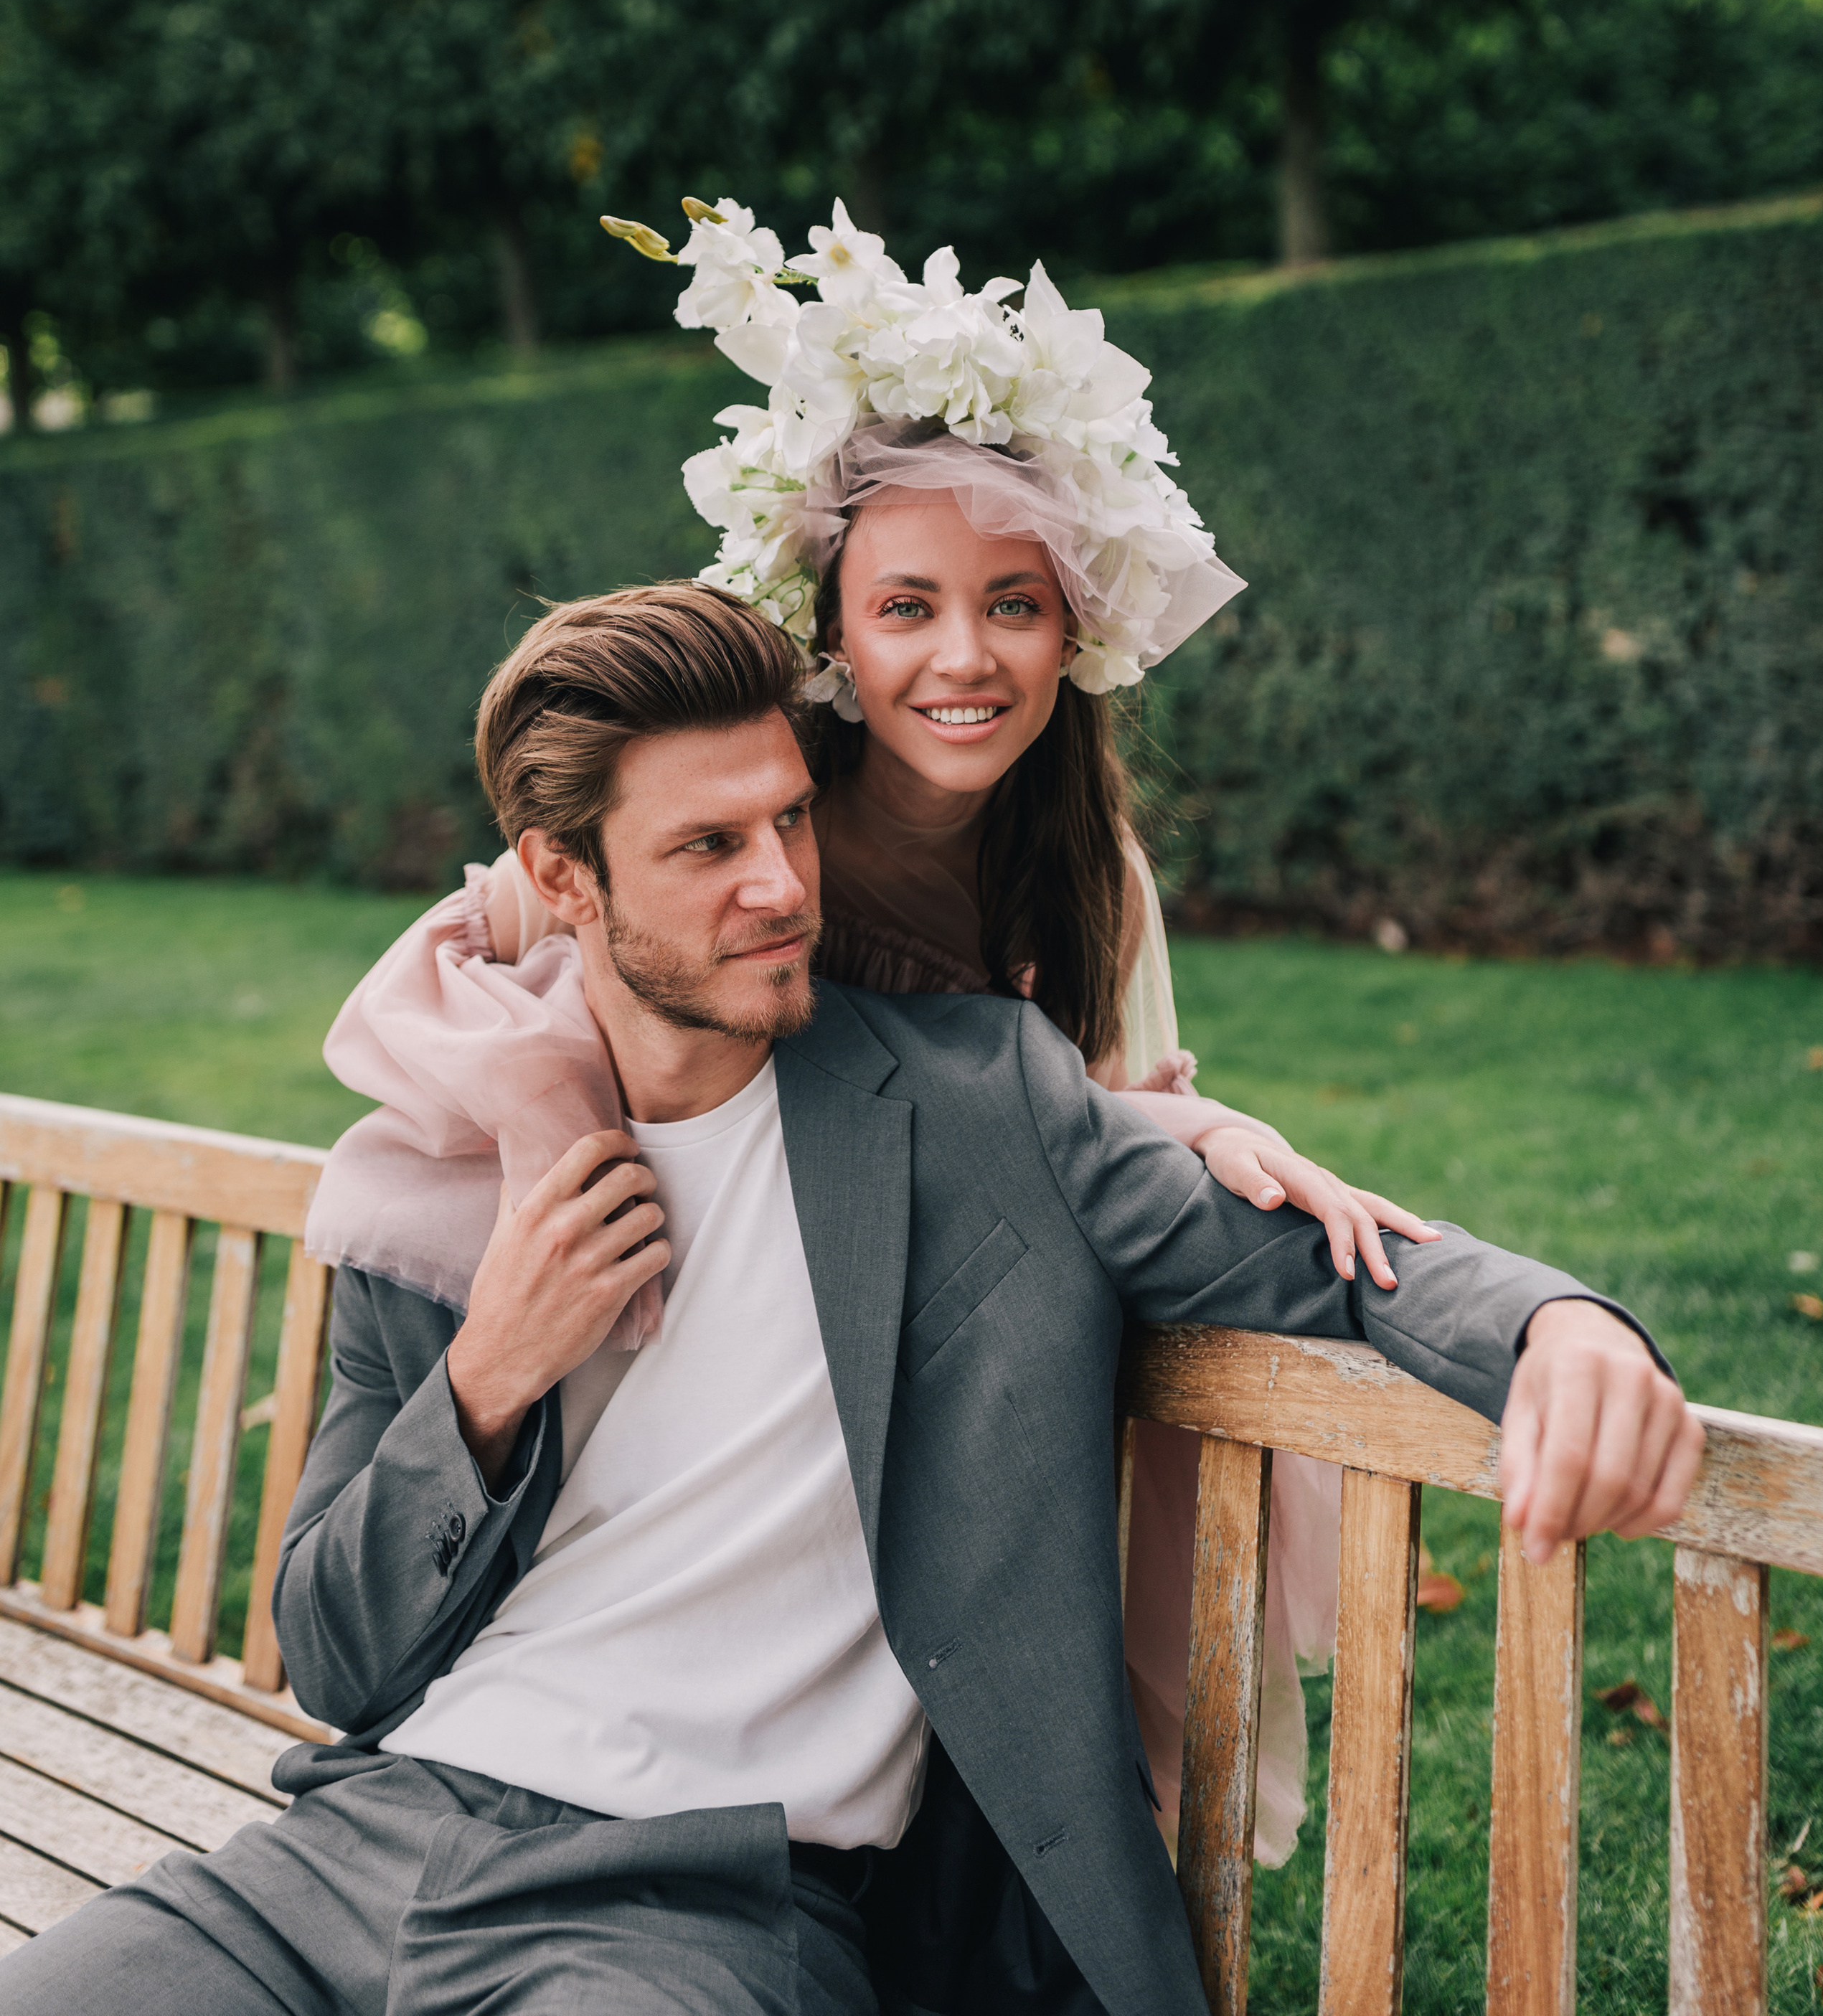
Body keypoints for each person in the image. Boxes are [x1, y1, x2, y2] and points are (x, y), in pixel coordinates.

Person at [0, 584, 1703, 2016]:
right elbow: (334, 1652)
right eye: (709, 846)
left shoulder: (979, 1111)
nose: (782, 884)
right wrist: (489, 1383)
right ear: (567, 878)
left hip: (682, 1917)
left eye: (790, 820)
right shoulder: (455, 1180)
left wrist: (1561, 1328)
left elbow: (1318, 1257)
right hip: (351, 1853)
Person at [307, 203, 1439, 1859]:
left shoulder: (1085, 870)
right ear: (831, 624)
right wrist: (566, 1121)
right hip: (683, 1260)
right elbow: (465, 950)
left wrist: (1196, 1129)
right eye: (905, 609)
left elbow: (1084, 1103)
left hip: (932, 1295)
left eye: (1016, 606)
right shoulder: (754, 808)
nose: (962, 659)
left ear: (1078, 631)